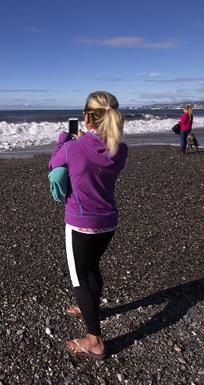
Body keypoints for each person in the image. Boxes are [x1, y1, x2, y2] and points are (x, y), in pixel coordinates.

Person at [48, 91, 128, 358]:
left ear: (87, 117)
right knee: (92, 267)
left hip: (81, 223)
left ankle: (95, 341)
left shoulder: (73, 147)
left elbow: (53, 163)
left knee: (79, 278)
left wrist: (63, 139)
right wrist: (88, 139)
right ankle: (88, 307)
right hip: (108, 222)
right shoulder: (120, 149)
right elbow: (99, 160)